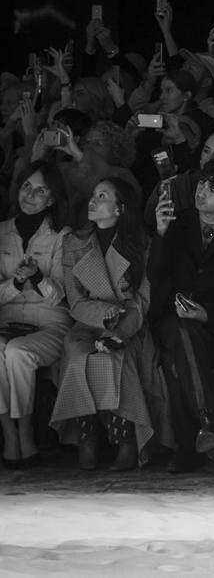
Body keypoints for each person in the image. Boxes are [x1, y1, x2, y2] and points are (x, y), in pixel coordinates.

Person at [149, 157, 214, 473]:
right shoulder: (177, 223)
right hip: (172, 321)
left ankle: (188, 448)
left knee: (176, 362)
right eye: (202, 183)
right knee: (180, 332)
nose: (202, 192)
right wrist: (161, 233)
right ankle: (209, 422)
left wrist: (208, 315)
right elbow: (155, 275)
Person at [49, 176, 154, 471]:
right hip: (87, 323)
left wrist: (119, 332)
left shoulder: (142, 245)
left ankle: (127, 440)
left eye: (102, 196)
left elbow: (141, 301)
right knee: (79, 358)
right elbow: (76, 301)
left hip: (130, 326)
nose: (93, 201)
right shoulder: (74, 243)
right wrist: (106, 314)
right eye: (94, 195)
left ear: (120, 208)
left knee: (114, 358)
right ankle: (88, 438)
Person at [0, 162, 71, 468]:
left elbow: (64, 297)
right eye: (27, 186)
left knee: (17, 352)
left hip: (48, 323)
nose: (30, 194)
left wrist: (38, 277)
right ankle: (9, 434)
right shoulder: (1, 232)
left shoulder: (61, 236)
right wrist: (15, 283)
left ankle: (26, 431)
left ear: (51, 199)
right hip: (7, 319)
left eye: (40, 190)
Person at [142, 133, 214, 231]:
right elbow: (149, 219)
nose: (209, 158)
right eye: (206, 151)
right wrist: (162, 190)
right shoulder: (180, 183)